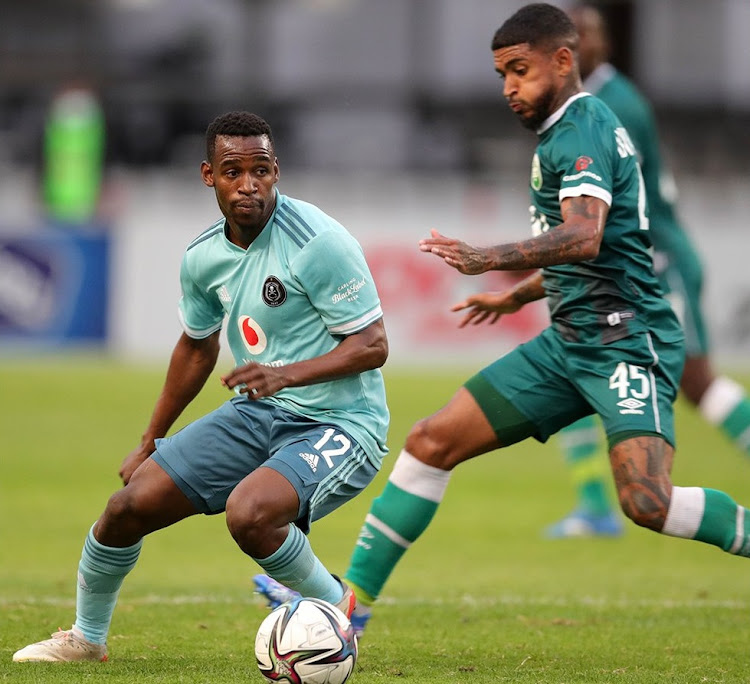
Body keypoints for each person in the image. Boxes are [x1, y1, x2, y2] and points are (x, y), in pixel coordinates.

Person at [330, 1, 750, 636]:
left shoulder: (582, 128)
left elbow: (583, 236)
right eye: (502, 75)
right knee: (430, 442)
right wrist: (519, 295)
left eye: (519, 71)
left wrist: (486, 259)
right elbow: (595, 249)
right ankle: (350, 609)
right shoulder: (564, 131)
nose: (508, 89)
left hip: (626, 341)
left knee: (647, 501)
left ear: (562, 60)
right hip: (570, 341)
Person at [12, 111, 389, 662]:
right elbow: (196, 346)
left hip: (341, 423)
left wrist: (282, 374)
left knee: (251, 513)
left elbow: (372, 345)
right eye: (233, 172)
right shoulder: (203, 256)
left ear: (277, 171)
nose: (248, 184)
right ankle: (86, 640)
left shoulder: (318, 242)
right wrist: (150, 440)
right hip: (259, 413)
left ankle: (337, 612)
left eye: (260, 170)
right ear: (209, 175)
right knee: (125, 509)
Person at [544, 3, 750, 539]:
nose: (571, 48)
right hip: (630, 269)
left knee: (698, 383)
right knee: (577, 359)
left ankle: (594, 505)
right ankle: (592, 504)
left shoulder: (616, 104)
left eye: (582, 36)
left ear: (601, 45)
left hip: (659, 262)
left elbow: (605, 206)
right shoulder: (586, 104)